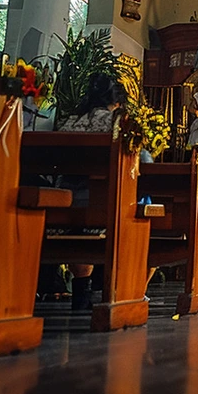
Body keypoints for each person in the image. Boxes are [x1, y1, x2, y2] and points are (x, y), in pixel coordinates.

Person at [56, 74, 125, 310]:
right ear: (116, 101)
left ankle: (81, 294)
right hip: (102, 204)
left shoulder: (70, 122)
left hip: (63, 203)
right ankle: (120, 293)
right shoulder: (116, 122)